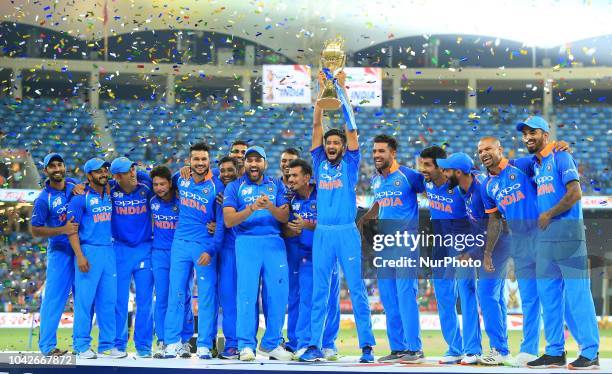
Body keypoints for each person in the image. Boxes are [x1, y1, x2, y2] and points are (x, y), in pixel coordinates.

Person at [300, 71, 375, 363]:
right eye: (328, 143)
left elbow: (352, 128)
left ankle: (366, 347)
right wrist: (323, 92)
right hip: (322, 233)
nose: (331, 146)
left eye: (336, 143)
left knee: (356, 289)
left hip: (346, 232)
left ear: (343, 147)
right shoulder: (318, 161)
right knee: (320, 291)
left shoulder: (352, 163)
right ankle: (314, 345)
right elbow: (318, 123)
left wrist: (341, 90)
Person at [517, 116, 599, 370]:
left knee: (577, 295)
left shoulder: (561, 157)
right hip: (545, 239)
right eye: (525, 133)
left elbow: (575, 192)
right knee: (549, 296)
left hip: (568, 234)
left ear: (545, 134)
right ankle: (554, 351)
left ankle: (590, 352)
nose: (528, 137)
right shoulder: (534, 165)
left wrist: (550, 213)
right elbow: (502, 165)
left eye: (534, 132)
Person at [438, 152, 511, 365]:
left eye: (447, 170)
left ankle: (501, 349)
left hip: (498, 246)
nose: (444, 173)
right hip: (485, 247)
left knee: (487, 294)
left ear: (458, 172)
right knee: (493, 297)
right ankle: (498, 348)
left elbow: (495, 225)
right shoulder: (463, 189)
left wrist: (474, 253)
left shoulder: (480, 189)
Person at [358, 135, 425, 363]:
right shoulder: (377, 181)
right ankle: (398, 348)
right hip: (385, 245)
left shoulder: (409, 176)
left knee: (406, 294)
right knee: (388, 297)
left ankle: (415, 348)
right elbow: (379, 203)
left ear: (393, 153)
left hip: (406, 242)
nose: (376, 155)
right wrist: (365, 218)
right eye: (374, 151)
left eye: (381, 151)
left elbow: (431, 191)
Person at [223, 146, 293, 361]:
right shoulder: (234, 187)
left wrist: (269, 206)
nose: (254, 164)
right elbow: (228, 220)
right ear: (244, 163)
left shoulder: (276, 185)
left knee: (278, 295)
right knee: (246, 295)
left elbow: (283, 217)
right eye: (249, 160)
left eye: (258, 160)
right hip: (246, 243)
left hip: (274, 243)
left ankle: (271, 344)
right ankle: (245, 345)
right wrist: (252, 208)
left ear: (265, 163)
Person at [478, 136, 542, 367]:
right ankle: (528, 351)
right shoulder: (487, 186)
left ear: (500, 149)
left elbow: (547, 159)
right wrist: (487, 253)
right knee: (529, 297)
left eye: (488, 149)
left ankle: (560, 348)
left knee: (551, 294)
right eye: (480, 151)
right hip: (520, 243)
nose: (483, 153)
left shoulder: (521, 165)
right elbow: (495, 220)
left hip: (543, 235)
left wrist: (557, 145)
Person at [418, 146, 481, 365]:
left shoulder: (460, 186)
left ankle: (473, 349)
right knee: (444, 299)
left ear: (441, 167)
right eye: (421, 164)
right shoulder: (424, 182)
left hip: (462, 246)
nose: (423, 169)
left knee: (467, 295)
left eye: (428, 165)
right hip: (440, 247)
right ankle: (454, 348)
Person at [164, 143, 224, 360]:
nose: (200, 163)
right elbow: (160, 181)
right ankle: (172, 342)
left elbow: (220, 223)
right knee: (177, 293)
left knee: (207, 296)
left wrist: (211, 247)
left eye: (203, 159)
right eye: (196, 159)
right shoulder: (180, 178)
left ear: (210, 161)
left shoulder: (217, 186)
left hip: (203, 246)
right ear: (189, 161)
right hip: (179, 244)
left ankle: (205, 344)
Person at [285, 159, 340, 360]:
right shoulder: (291, 201)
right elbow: (287, 228)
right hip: (306, 256)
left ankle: (329, 344)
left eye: (294, 175)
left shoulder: (324, 194)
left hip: (329, 254)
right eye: (289, 175)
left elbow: (333, 223)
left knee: (331, 302)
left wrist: (307, 225)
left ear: (307, 177)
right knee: (307, 299)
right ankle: (305, 343)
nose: (290, 179)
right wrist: (291, 230)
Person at [66, 158, 122, 359]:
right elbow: (71, 230)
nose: (104, 174)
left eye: (105, 170)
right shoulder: (80, 198)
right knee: (84, 301)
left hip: (109, 250)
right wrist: (79, 255)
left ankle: (107, 344)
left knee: (108, 301)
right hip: (88, 251)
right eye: (98, 172)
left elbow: (134, 175)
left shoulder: (109, 192)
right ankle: (81, 345)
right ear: (89, 176)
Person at [31, 153, 79, 356]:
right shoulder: (43, 199)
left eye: (60, 164)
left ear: (64, 167)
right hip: (60, 251)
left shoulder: (73, 185)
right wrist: (63, 230)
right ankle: (48, 347)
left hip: (82, 249)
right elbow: (35, 229)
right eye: (52, 166)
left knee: (83, 298)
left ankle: (81, 346)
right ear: (46, 171)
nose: (57, 168)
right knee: (54, 299)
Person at [108, 157, 155, 357]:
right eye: (128, 171)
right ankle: (118, 345)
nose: (133, 173)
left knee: (145, 301)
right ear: (118, 176)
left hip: (145, 248)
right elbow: (88, 186)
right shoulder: (110, 190)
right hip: (119, 250)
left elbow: (165, 181)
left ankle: (144, 347)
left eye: (133, 169)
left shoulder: (146, 186)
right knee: (119, 300)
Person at [149, 165, 194, 359]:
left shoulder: (182, 201)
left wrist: (182, 170)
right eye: (155, 184)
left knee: (183, 297)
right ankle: (162, 340)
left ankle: (184, 342)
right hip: (159, 254)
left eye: (162, 183)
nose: (159, 188)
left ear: (170, 183)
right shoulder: (151, 201)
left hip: (181, 253)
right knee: (162, 298)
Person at [215, 156, 240, 359]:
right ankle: (232, 344)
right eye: (222, 171)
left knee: (248, 300)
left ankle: (247, 343)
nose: (225, 174)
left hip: (245, 250)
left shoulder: (246, 189)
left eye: (230, 170)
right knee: (228, 300)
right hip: (225, 251)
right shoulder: (217, 190)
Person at [277, 147, 301, 353]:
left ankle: (296, 340)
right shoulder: (273, 185)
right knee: (278, 294)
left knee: (296, 294)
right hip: (277, 245)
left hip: (298, 246)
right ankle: (277, 340)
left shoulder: (305, 186)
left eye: (291, 161)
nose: (286, 164)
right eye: (284, 160)